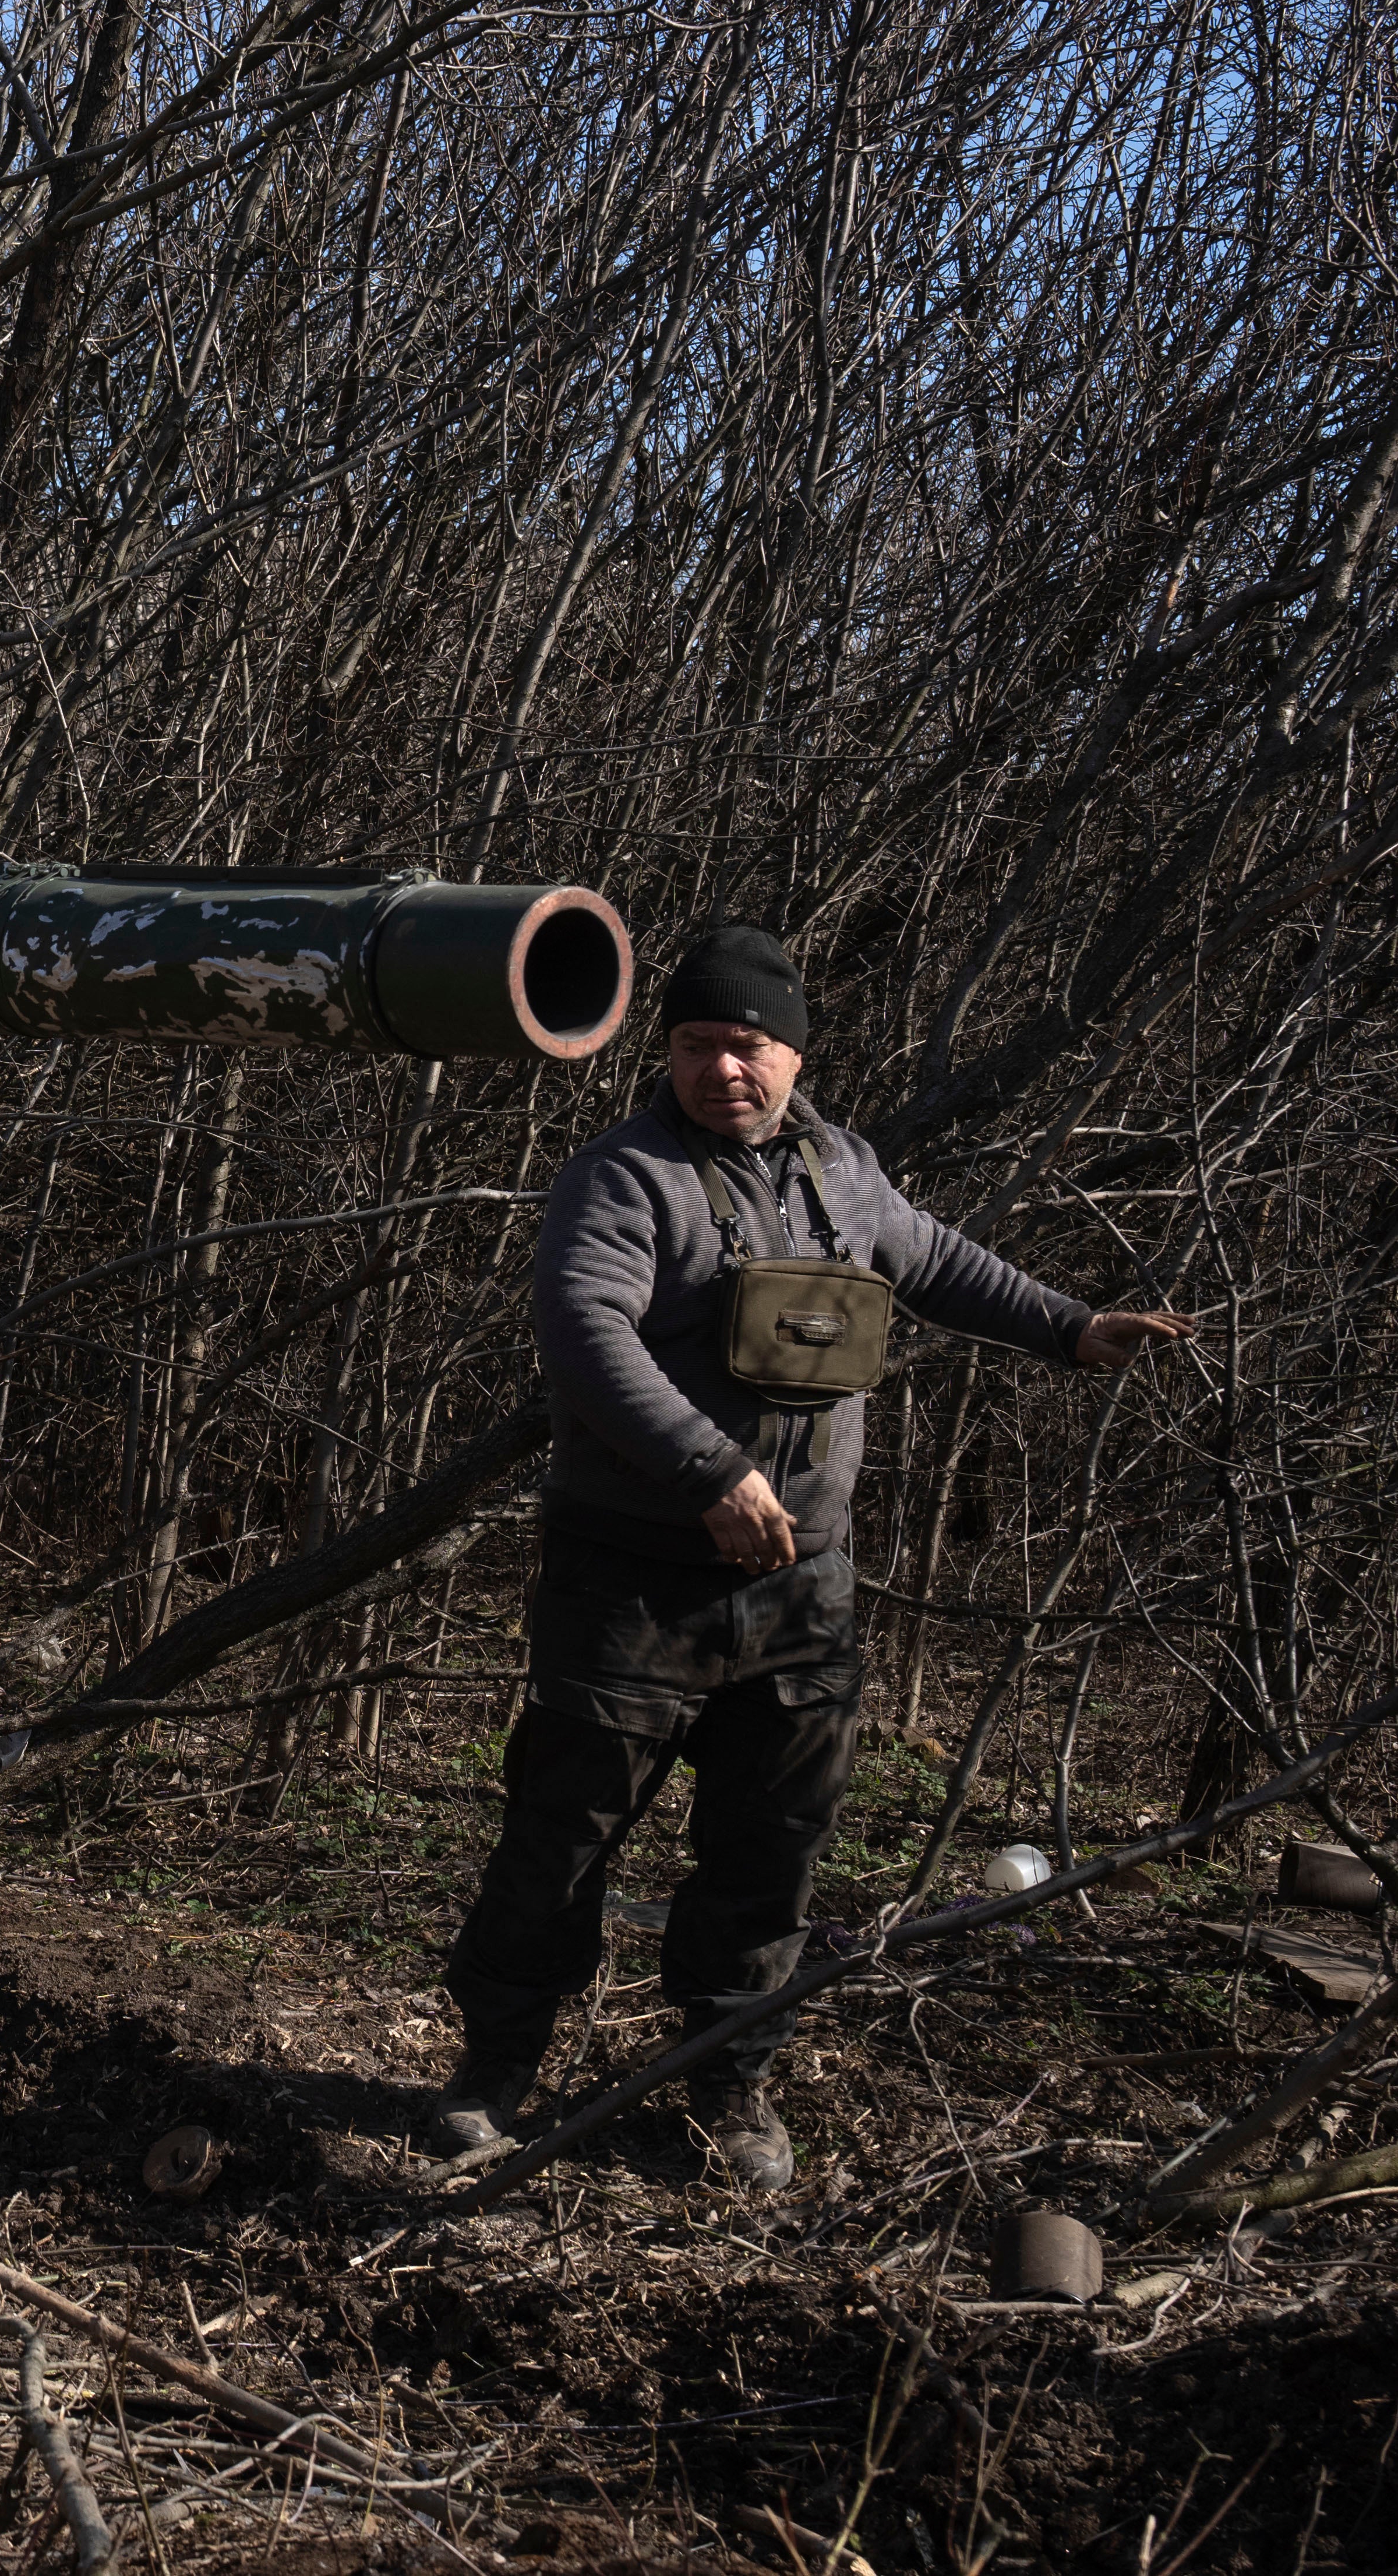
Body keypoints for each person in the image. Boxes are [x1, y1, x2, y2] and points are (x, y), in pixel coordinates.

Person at [426, 921, 1196, 2191]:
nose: (719, 1070)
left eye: (742, 1046)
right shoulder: (621, 1178)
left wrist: (1067, 1327)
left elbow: (934, 1261)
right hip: (628, 1580)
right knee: (559, 1838)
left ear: (790, 1051)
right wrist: (706, 1469)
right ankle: (491, 2072)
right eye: (691, 1046)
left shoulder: (841, 1171)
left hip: (800, 1586)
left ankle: (721, 2088)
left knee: (767, 1848)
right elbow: (581, 1330)